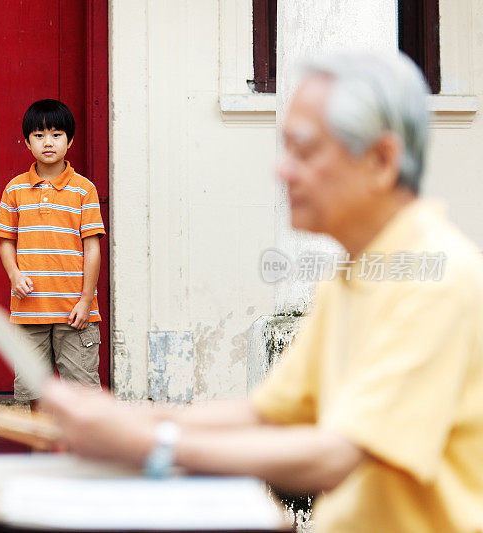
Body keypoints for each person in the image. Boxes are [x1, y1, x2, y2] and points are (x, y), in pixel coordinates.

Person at [40, 53, 483, 532]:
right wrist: (128, 419)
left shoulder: (436, 279)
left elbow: (339, 454)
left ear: (381, 160)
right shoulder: (356, 273)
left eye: (304, 150)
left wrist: (148, 444)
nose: (282, 171)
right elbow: (270, 414)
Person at [0, 99, 106, 411]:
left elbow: (92, 247)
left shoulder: (84, 190)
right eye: (39, 135)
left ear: (70, 141)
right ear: (27, 142)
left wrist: (85, 300)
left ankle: (79, 452)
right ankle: (43, 448)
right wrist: (15, 275)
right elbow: (6, 241)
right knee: (35, 391)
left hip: (75, 312)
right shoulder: (15, 190)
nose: (48, 142)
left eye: (56, 134)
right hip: (30, 310)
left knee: (80, 390)